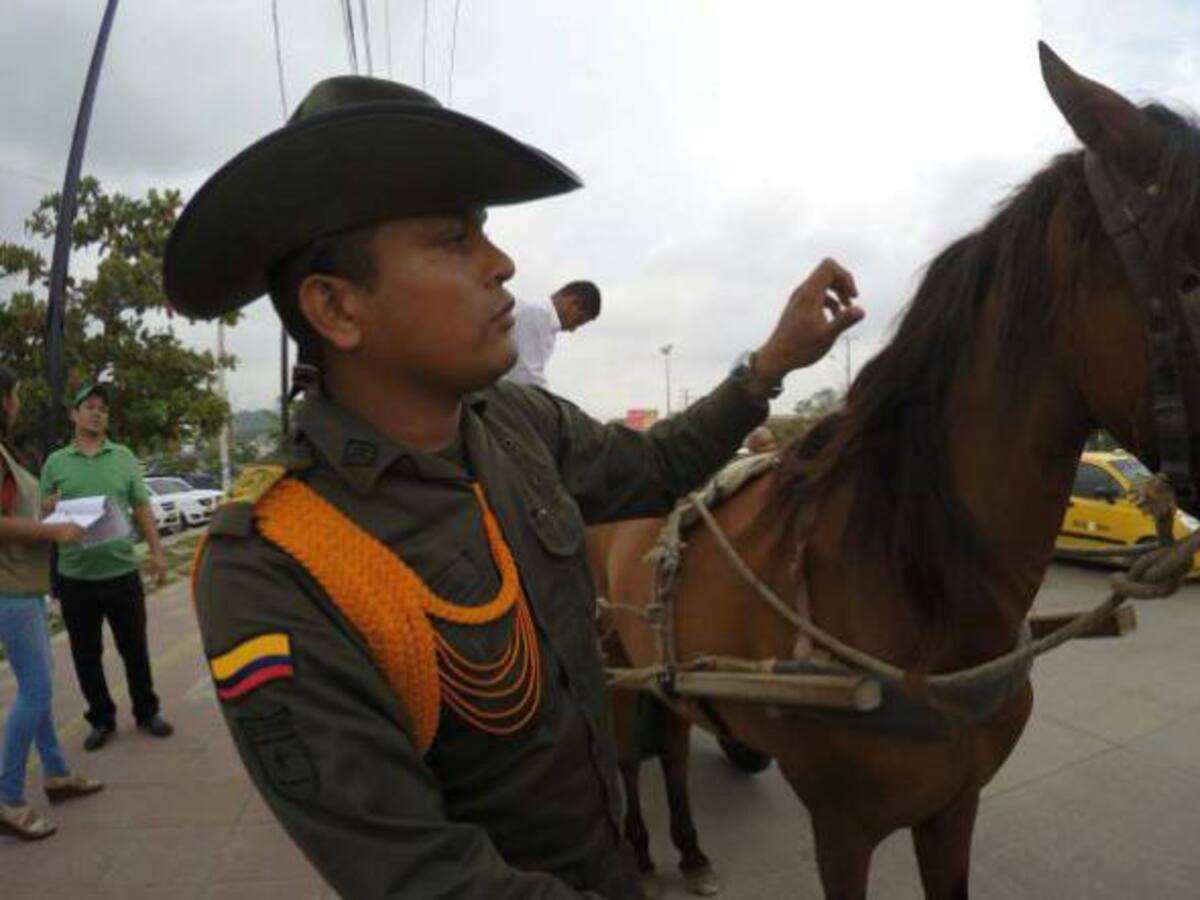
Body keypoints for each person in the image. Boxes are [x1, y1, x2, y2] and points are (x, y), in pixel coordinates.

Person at [163, 76, 862, 898]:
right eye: (452, 240)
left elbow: (654, 469)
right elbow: (423, 877)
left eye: (484, 234)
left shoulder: (515, 424)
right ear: (337, 309)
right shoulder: (275, 566)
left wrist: (767, 367)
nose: (502, 265)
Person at [39, 384, 173, 751]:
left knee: (134, 648)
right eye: (90, 406)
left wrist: (157, 551)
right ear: (74, 415)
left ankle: (147, 712)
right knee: (86, 654)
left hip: (121, 574)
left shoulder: (124, 457)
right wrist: (48, 507)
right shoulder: (55, 463)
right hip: (75, 578)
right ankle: (101, 718)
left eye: (103, 408)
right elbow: (42, 514)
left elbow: (142, 506)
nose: (98, 413)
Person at [0, 365, 103, 840]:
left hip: (26, 586)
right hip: (11, 589)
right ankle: (7, 798)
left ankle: (57, 773)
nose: (17, 402)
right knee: (36, 690)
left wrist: (40, 511)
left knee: (38, 685)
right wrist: (52, 530)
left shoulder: (7, 454)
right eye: (15, 393)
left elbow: (10, 512)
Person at [504, 280, 601, 388]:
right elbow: (524, 374)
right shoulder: (538, 313)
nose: (573, 330)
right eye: (578, 321)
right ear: (574, 303)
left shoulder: (544, 320)